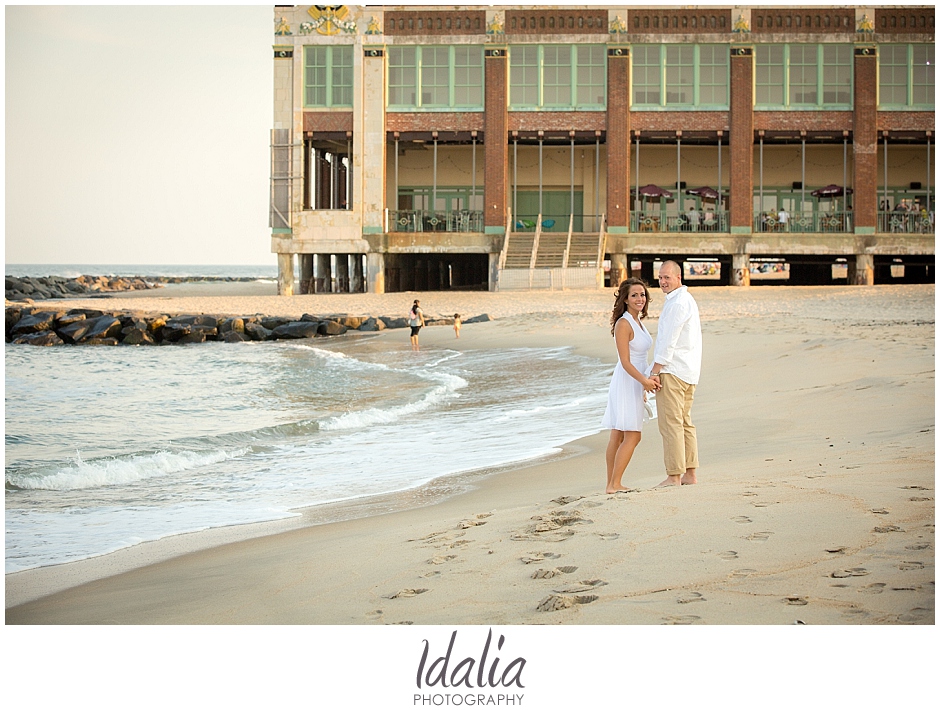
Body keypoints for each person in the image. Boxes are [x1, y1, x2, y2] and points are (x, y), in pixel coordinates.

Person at [600, 278, 659, 494]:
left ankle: (612, 484)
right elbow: (625, 361)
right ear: (625, 299)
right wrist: (644, 381)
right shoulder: (623, 323)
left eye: (642, 295)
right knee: (631, 435)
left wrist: (643, 383)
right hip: (627, 381)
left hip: (635, 380)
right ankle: (614, 484)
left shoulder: (638, 322)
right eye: (634, 295)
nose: (639, 299)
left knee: (619, 434)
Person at [649, 261, 702, 488]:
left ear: (678, 277)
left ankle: (674, 476)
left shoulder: (678, 303)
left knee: (671, 424)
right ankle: (690, 474)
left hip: (673, 371)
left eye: (667, 277)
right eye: (660, 277)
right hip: (688, 371)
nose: (662, 282)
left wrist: (655, 371)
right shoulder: (685, 300)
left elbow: (668, 341)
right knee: (684, 423)